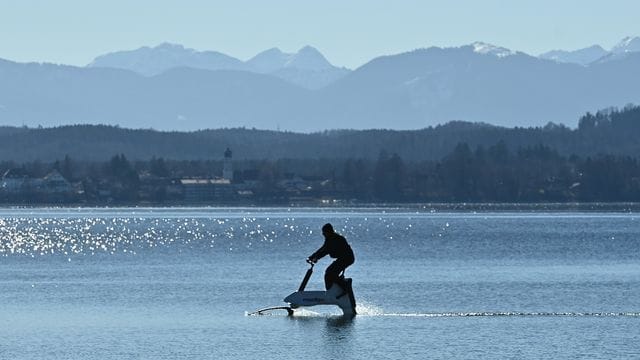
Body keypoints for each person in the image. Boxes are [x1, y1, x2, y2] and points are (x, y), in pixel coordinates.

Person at [307, 223, 355, 292]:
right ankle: (339, 289)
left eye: (324, 233)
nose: (323, 234)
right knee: (331, 273)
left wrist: (316, 258)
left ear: (328, 232)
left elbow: (325, 251)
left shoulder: (334, 239)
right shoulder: (330, 238)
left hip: (347, 258)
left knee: (329, 273)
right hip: (344, 258)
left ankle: (341, 287)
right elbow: (323, 248)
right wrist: (312, 256)